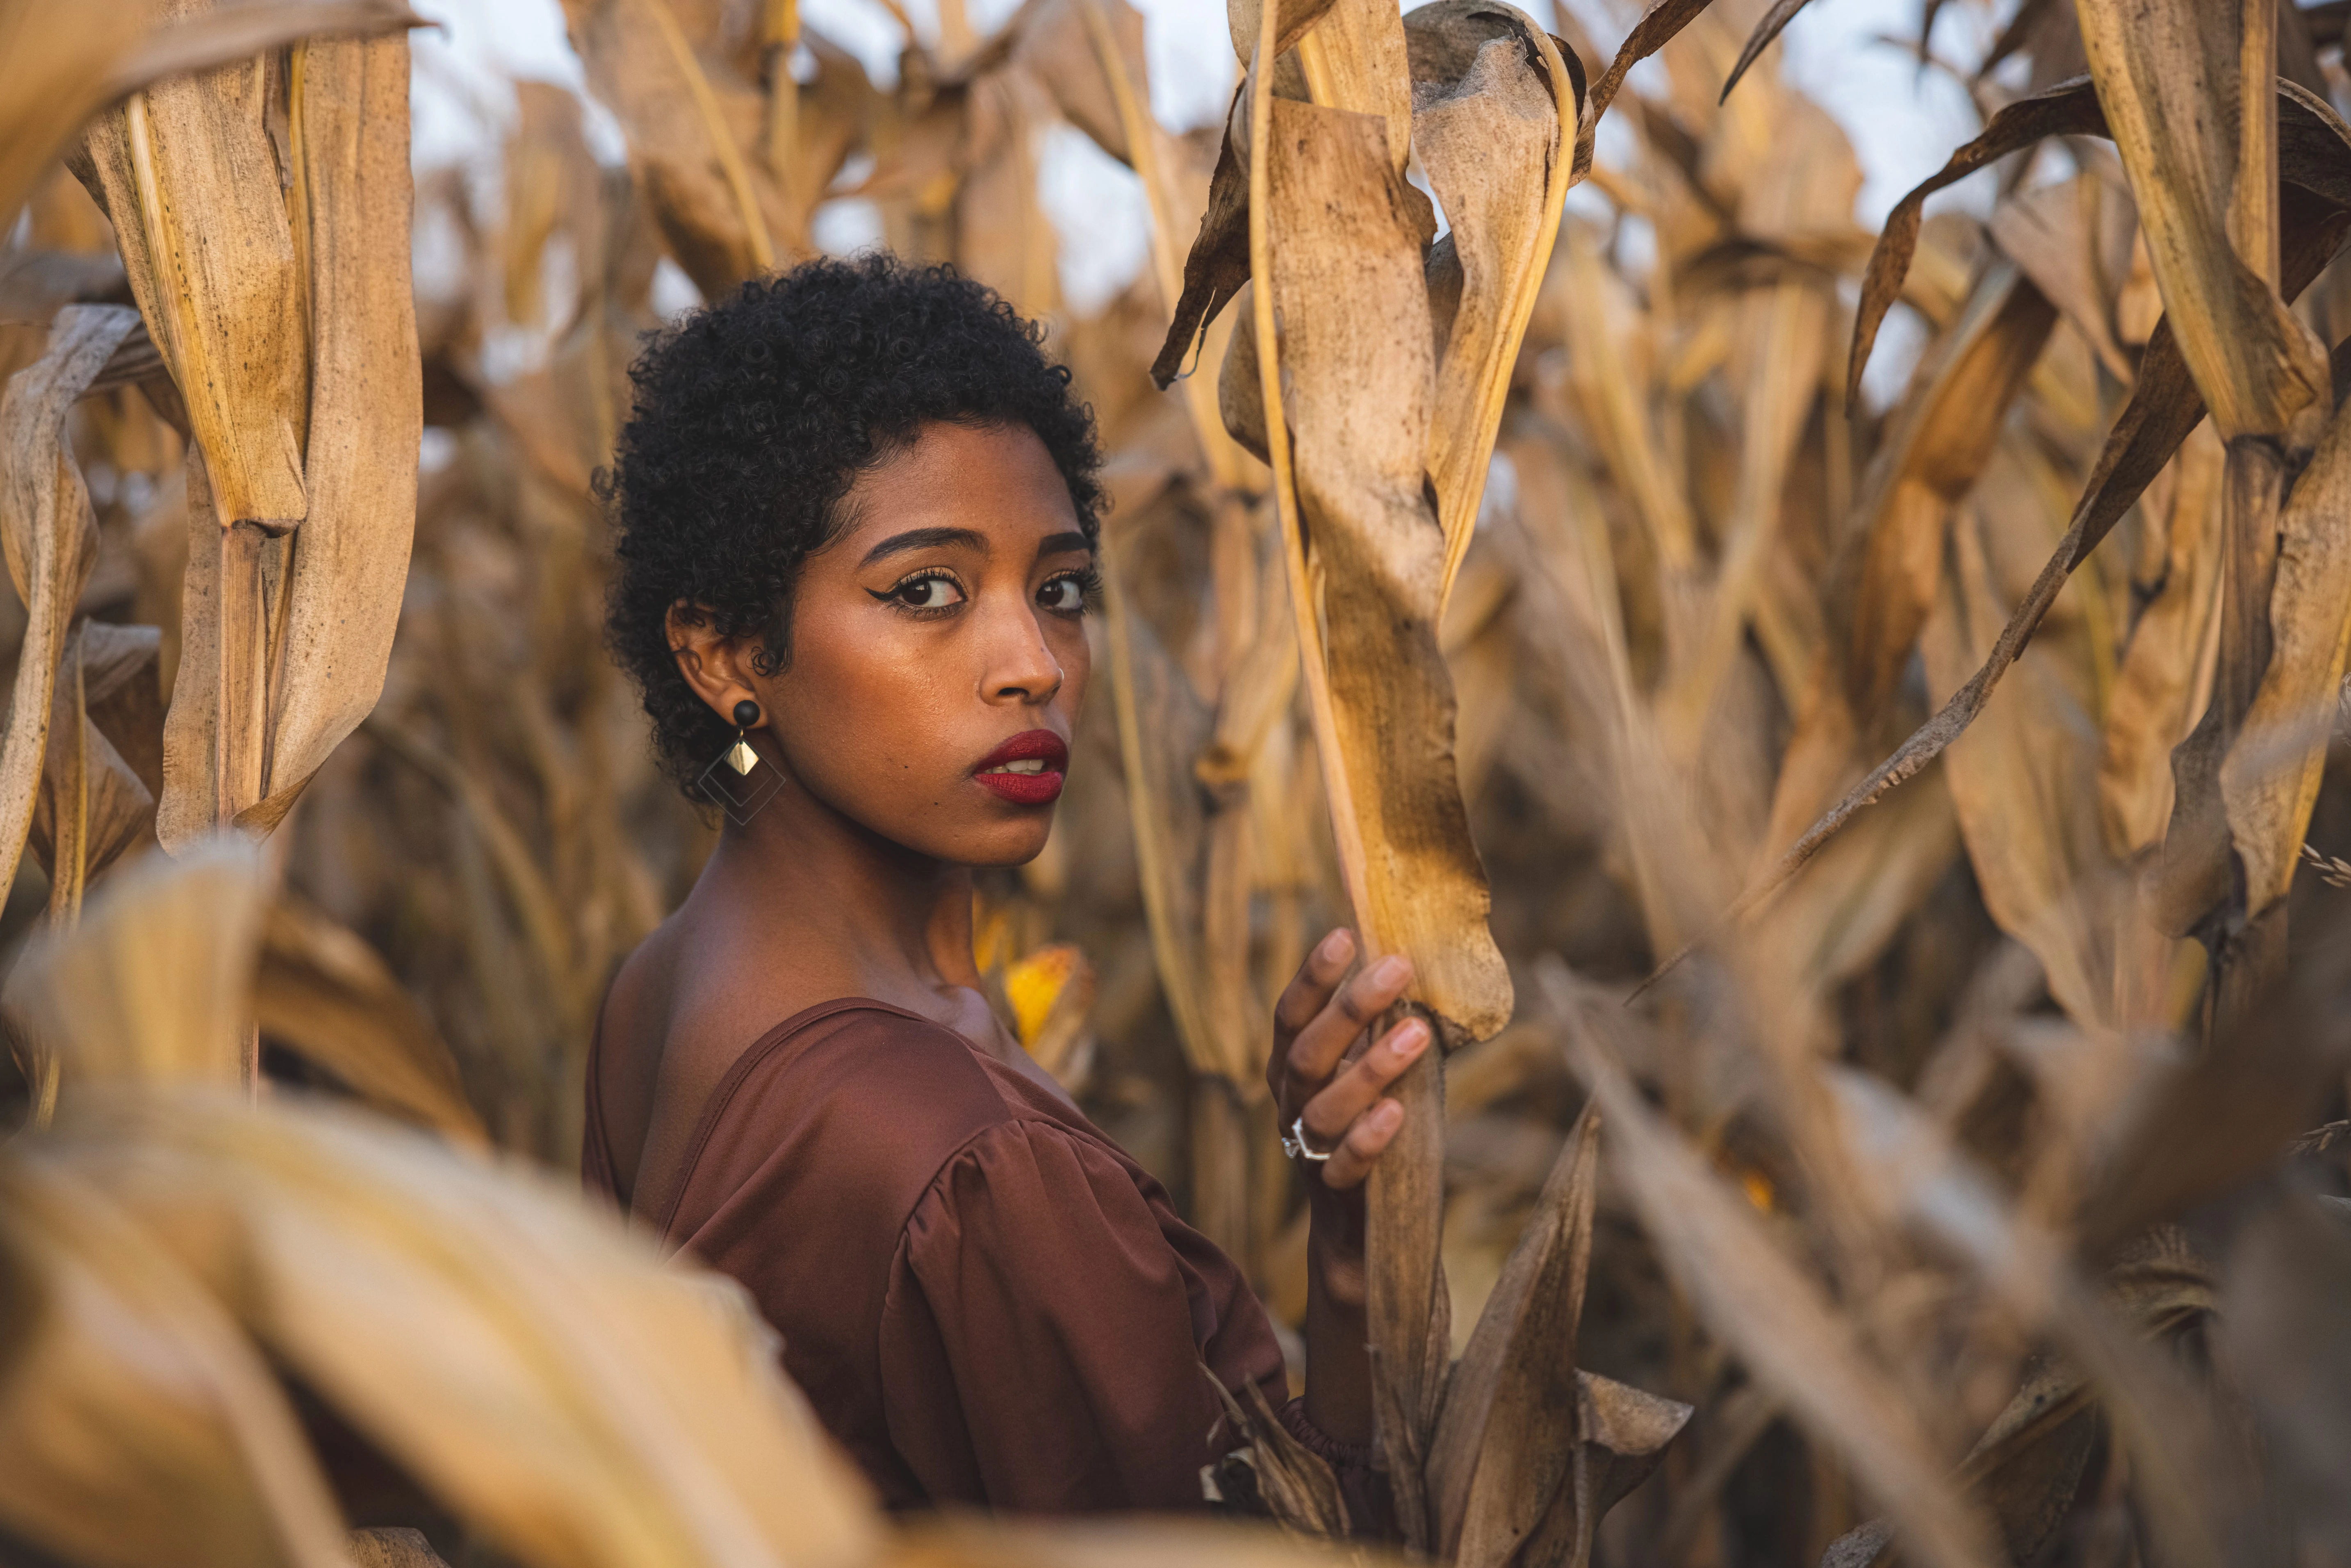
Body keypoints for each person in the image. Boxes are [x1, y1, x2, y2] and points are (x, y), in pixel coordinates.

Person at [589, 255, 1429, 1522]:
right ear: (722, 656)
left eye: (1061, 590)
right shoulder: (967, 1161)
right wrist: (1354, 1258)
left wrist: (1341, 1186)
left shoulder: (661, 992)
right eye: (925, 591)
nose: (1032, 663)